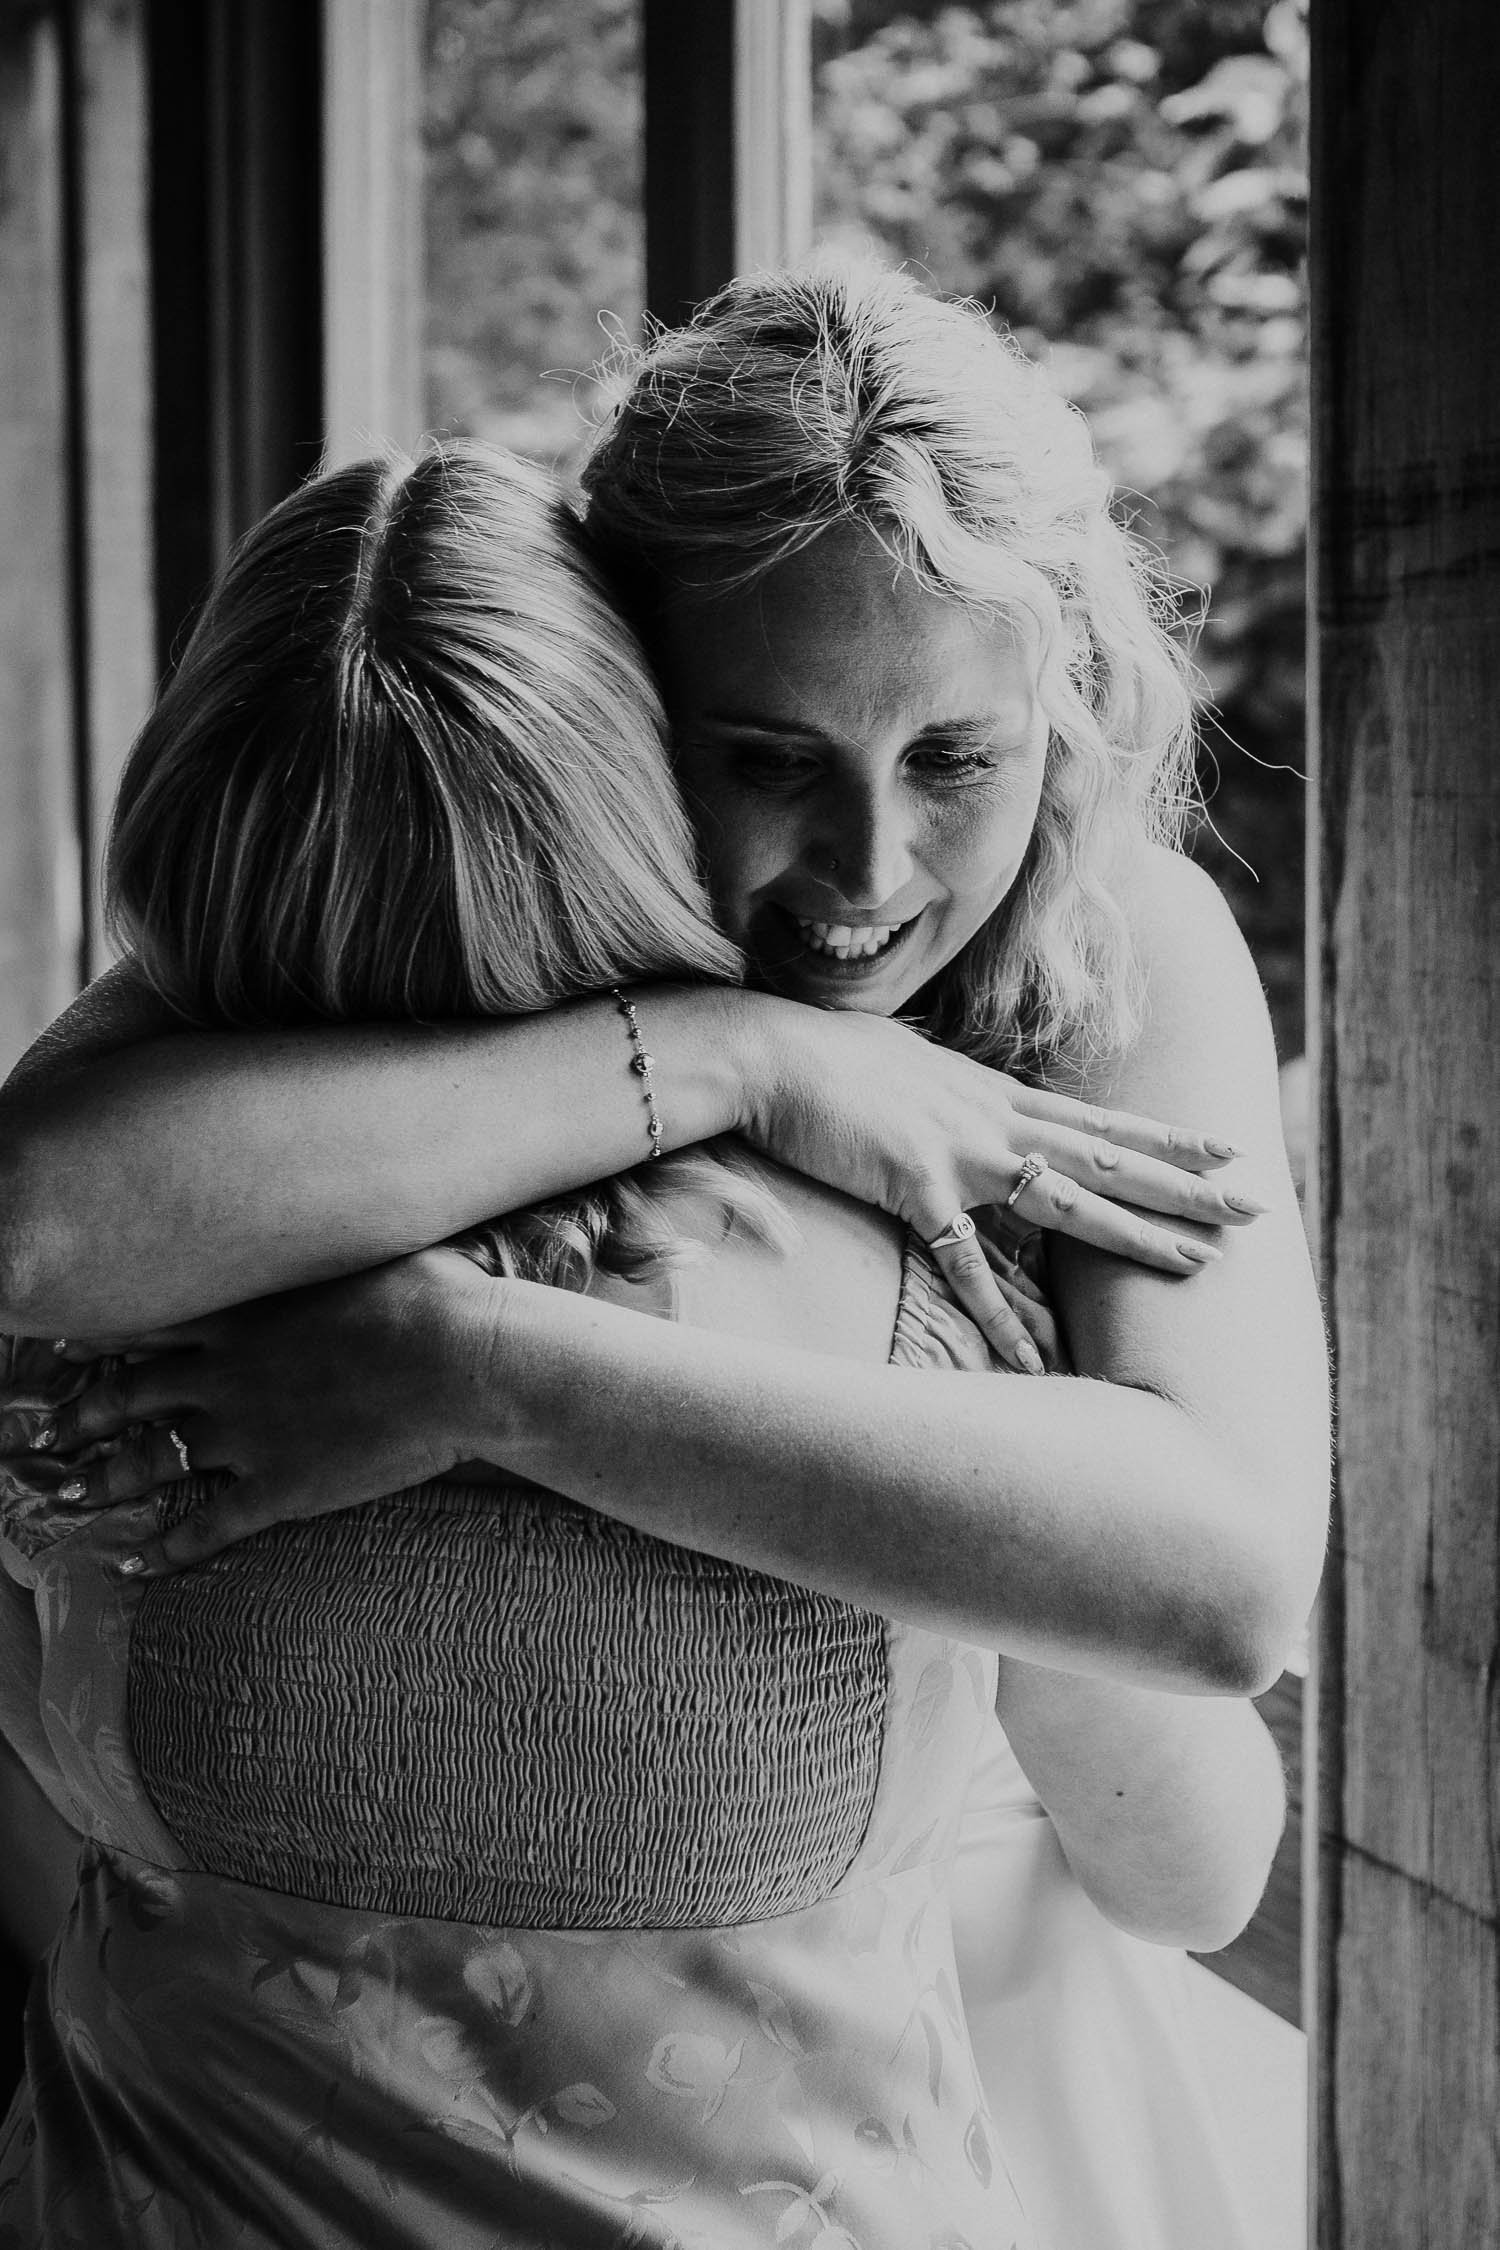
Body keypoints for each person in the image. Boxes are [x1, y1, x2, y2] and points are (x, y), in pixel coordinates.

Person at [0, 262, 1324, 2242]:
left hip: (977, 1948)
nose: (871, 882)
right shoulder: (463, 907)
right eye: (769, 759)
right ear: (610, 696)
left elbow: (1219, 1606)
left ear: (1061, 725)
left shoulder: (1111, 953)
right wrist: (734, 1054)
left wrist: (473, 1363)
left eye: (959, 759)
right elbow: (45, 1214)